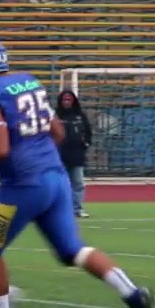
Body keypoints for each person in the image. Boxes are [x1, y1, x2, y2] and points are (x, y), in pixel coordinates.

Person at [0, 37, 155, 308]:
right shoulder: (27, 82)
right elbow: (57, 131)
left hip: (22, 183)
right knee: (73, 250)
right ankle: (131, 293)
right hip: (55, 177)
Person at [56, 90, 93, 218]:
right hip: (60, 155)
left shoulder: (80, 116)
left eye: (69, 99)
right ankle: (61, 210)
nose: (66, 102)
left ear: (73, 101)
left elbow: (88, 132)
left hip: (77, 155)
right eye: (64, 99)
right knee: (61, 185)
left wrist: (86, 144)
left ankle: (77, 209)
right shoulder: (55, 116)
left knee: (78, 183)